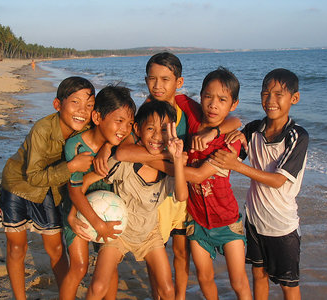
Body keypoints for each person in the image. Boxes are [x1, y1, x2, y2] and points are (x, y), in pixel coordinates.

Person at [114, 52, 241, 300]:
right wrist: (168, 161)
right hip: (157, 194)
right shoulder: (145, 113)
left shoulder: (188, 107)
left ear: (178, 83)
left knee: (181, 251)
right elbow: (127, 149)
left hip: (183, 197)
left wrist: (218, 131)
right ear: (146, 80)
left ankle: (179, 296)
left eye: (165, 79)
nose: (158, 86)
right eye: (153, 79)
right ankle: (157, 294)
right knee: (156, 248)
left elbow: (232, 118)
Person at [210, 68, 309, 300]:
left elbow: (277, 180)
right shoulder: (254, 129)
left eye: (278, 94)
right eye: (265, 93)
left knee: (288, 285)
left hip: (282, 226)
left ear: (294, 98)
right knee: (259, 274)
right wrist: (229, 136)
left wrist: (236, 165)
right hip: (254, 221)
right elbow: (232, 151)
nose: (270, 101)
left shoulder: (296, 136)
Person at [0, 76, 96, 300]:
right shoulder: (42, 129)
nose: (83, 110)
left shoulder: (86, 128)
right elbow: (32, 176)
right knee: (16, 247)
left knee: (56, 250)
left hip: (49, 191)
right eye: (75, 102)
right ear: (57, 104)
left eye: (89, 105)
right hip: (17, 186)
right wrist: (71, 166)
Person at [83, 100, 188, 300]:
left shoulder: (169, 169)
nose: (157, 136)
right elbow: (87, 180)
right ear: (138, 129)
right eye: (151, 128)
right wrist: (78, 212)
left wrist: (176, 160)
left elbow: (181, 196)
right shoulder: (125, 162)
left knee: (167, 290)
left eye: (165, 130)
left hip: (149, 233)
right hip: (119, 232)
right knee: (98, 286)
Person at [173, 67, 252, 300]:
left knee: (238, 281)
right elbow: (169, 95)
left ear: (233, 104)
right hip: (196, 221)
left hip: (227, 221)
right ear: (200, 96)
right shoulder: (194, 116)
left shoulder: (230, 142)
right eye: (207, 96)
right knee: (204, 277)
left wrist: (168, 163)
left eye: (222, 100)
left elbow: (198, 176)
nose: (213, 104)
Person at [60, 85, 136, 300]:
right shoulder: (75, 146)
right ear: (97, 117)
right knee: (79, 267)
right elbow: (75, 192)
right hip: (77, 211)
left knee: (110, 268)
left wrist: (108, 146)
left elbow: (133, 139)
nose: (124, 128)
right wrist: (96, 223)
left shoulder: (117, 144)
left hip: (110, 211)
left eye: (129, 123)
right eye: (119, 121)